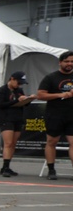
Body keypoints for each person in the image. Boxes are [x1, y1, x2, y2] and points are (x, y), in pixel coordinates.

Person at [36, 50, 73, 180]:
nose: (69, 64)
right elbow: (40, 95)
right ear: (60, 62)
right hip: (55, 115)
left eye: (72, 61)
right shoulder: (51, 78)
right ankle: (51, 170)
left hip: (71, 116)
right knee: (52, 141)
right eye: (67, 61)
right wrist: (60, 94)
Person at [0, 71, 34, 177]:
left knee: (13, 143)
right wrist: (16, 100)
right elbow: (2, 104)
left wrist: (28, 99)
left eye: (21, 83)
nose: (19, 85)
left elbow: (23, 102)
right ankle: (5, 166)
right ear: (12, 79)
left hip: (17, 117)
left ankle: (6, 166)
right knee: (8, 142)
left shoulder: (19, 90)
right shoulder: (2, 90)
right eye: (18, 82)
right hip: (5, 117)